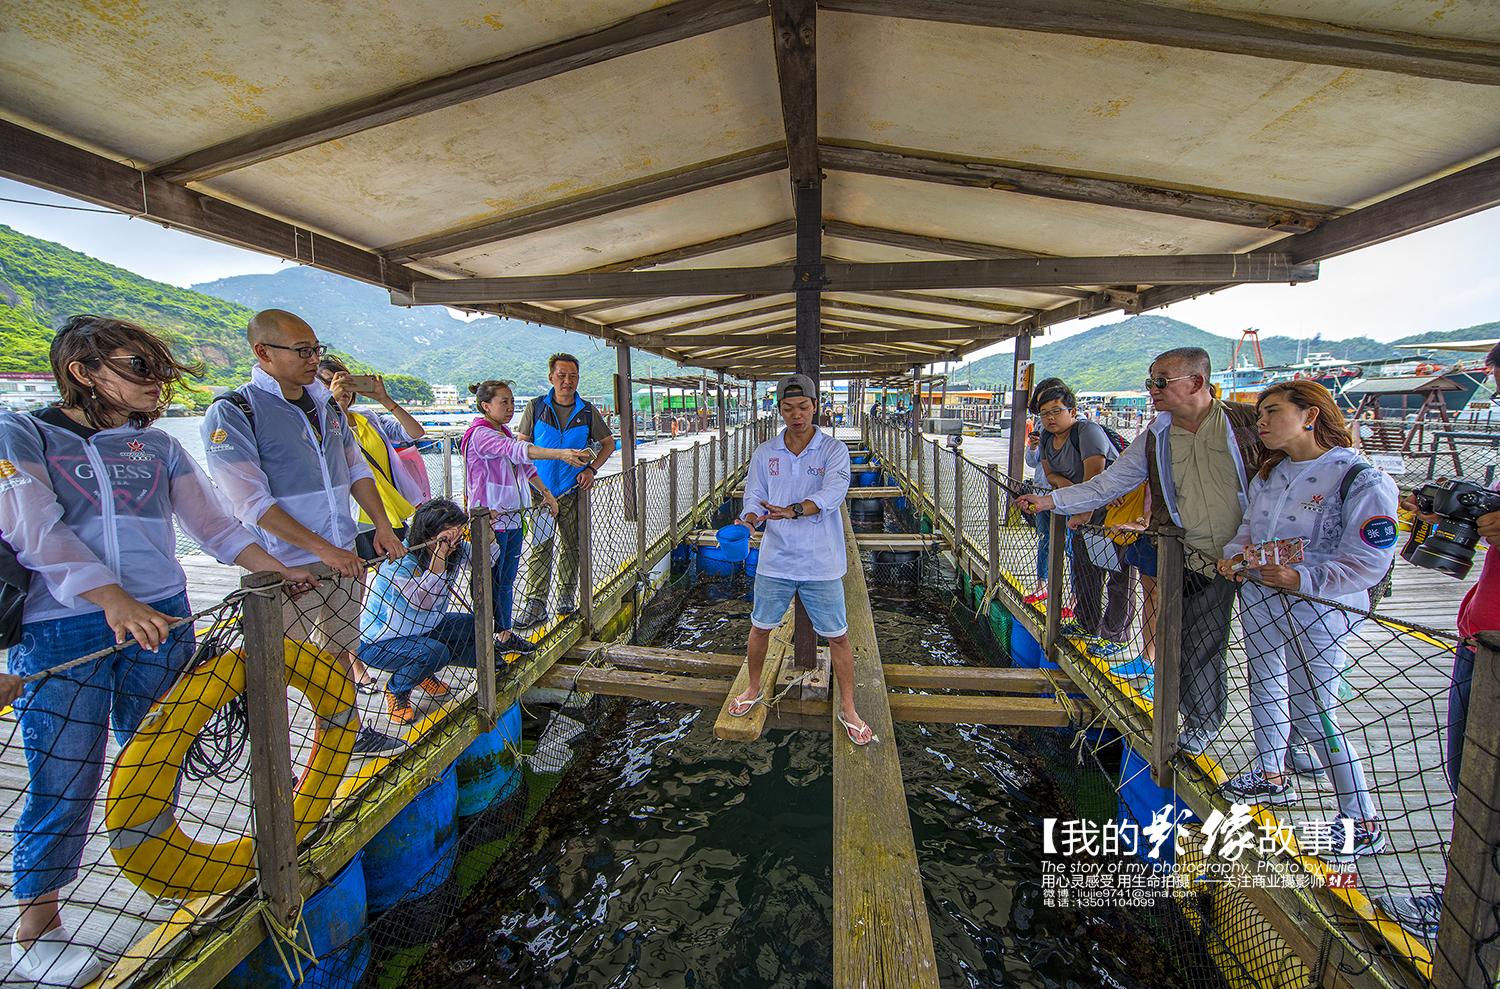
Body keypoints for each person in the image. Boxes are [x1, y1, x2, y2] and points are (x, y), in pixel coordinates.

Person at [0, 315, 318, 988]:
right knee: (65, 772)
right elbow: (33, 526)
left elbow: (212, 526)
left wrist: (277, 567)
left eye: (159, 371)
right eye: (139, 368)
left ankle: (164, 870)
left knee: (156, 751)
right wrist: (108, 595)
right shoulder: (24, 433)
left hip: (165, 618)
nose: (157, 384)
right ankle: (38, 922)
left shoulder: (159, 449)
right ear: (83, 372)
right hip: (65, 625)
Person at [1017, 347, 1261, 757]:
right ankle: (1201, 724)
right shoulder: (1157, 434)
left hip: (1260, 560)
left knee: (1272, 658)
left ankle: (1289, 751)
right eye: (1151, 382)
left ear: (1197, 382)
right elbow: (1109, 483)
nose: (1152, 390)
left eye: (1161, 382)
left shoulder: (1247, 424)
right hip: (1195, 555)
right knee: (1194, 644)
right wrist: (1050, 503)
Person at [202, 308, 407, 758]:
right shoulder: (233, 411)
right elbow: (250, 503)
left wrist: (383, 527)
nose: (314, 359)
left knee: (339, 648)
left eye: (317, 349)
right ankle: (273, 758)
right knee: (276, 662)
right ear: (263, 352)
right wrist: (324, 552)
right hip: (281, 562)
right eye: (302, 351)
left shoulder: (326, 403)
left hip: (342, 552)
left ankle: (345, 733)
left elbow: (355, 467)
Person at [1214, 381, 1398, 860]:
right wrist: (1235, 556)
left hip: (1321, 608)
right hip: (1261, 596)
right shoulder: (1269, 474)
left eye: (1273, 412)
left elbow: (1370, 559)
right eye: (1261, 414)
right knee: (1264, 684)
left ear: (1310, 415)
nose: (1263, 422)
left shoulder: (1359, 478)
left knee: (1317, 709)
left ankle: (1361, 818)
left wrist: (1303, 577)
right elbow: (1249, 529)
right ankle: (1270, 774)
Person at [1376, 343, 1500, 938]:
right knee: (1466, 780)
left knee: (1483, 788)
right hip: (1479, 640)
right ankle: (1460, 898)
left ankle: (1469, 920)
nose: (1495, 395)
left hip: (1492, 652)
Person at [728, 374, 872, 745]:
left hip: (821, 560)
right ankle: (754, 688)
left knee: (838, 637)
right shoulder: (765, 452)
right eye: (788, 408)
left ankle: (849, 709)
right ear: (779, 410)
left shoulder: (832, 450)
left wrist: (792, 510)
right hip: (775, 558)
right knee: (760, 627)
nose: (796, 415)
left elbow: (834, 492)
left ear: (815, 407)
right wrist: (747, 522)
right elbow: (754, 497)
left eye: (803, 407)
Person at [317, 356, 428, 694]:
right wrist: (330, 403)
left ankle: (392, 650)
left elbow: (415, 433)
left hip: (385, 514)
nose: (342, 390)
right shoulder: (313, 421)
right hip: (349, 518)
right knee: (354, 591)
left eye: (347, 382)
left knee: (391, 584)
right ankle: (355, 664)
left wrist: (384, 398)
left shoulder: (368, 419)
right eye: (328, 382)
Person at [462, 380, 589, 656]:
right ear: (486, 406)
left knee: (505, 579)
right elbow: (519, 451)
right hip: (490, 520)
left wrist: (545, 492)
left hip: (513, 516)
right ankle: (484, 642)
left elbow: (524, 466)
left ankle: (505, 635)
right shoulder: (481, 435)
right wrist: (560, 454)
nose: (510, 408)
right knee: (487, 582)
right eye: (503, 402)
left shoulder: (503, 431)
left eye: (511, 401)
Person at [1030, 379, 1135, 662]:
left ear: (1072, 411)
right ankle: (1086, 623)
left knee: (1118, 572)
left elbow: (1096, 477)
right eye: (1044, 413)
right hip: (1077, 507)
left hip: (1111, 510)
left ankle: (1115, 636)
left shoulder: (1087, 431)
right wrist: (1074, 495)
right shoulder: (1048, 437)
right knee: (1084, 568)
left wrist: (1082, 504)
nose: (1050, 418)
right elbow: (1050, 475)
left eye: (1056, 410)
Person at [512, 354, 615, 629]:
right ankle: (535, 605)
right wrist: (535, 487)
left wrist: (591, 469)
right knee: (541, 547)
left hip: (573, 492)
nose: (567, 381)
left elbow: (608, 443)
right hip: (541, 495)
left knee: (572, 546)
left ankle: (566, 598)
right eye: (561, 375)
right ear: (551, 378)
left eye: (573, 376)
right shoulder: (535, 408)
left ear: (578, 379)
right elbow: (522, 448)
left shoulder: (587, 411)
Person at [359, 499, 479, 725]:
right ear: (427, 536)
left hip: (422, 629)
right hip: (381, 642)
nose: (453, 542)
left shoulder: (454, 549)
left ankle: (420, 673)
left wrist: (487, 532)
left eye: (457, 534)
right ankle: (397, 689)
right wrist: (441, 554)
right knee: (434, 652)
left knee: (475, 625)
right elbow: (424, 601)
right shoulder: (400, 562)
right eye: (446, 537)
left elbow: (488, 558)